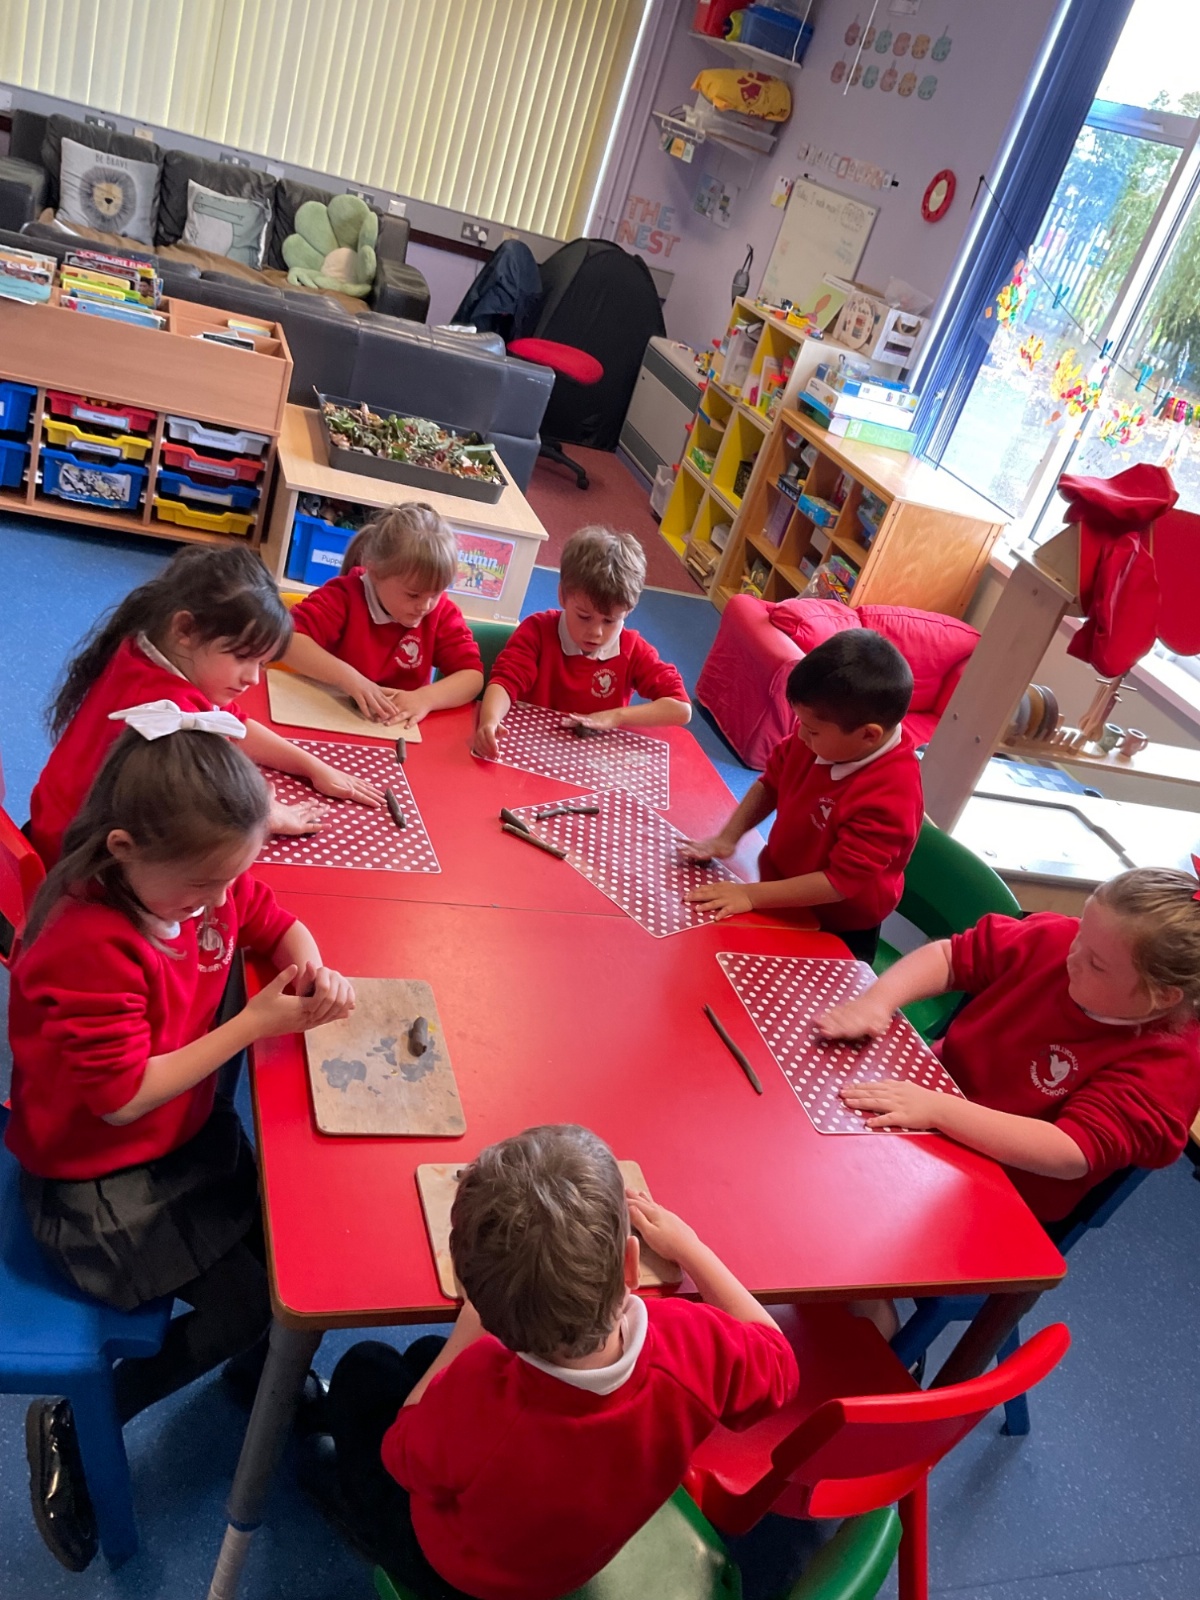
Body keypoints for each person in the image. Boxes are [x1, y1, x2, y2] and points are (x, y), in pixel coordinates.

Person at [6, 708, 355, 1572]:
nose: (220, 901)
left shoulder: (200, 878)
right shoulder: (86, 941)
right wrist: (254, 1025)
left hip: (182, 1134)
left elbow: (269, 919)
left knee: (293, 1246)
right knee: (250, 1305)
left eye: (229, 879)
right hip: (95, 1177)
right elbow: (120, 1099)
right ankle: (83, 1417)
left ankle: (258, 1371)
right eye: (203, 887)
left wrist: (312, 965)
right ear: (123, 849)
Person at [306, 1124, 798, 1600]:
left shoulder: (481, 1394)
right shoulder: (693, 1341)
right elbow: (780, 1361)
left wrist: (464, 1335)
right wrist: (690, 1247)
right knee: (420, 1355)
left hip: (468, 1574)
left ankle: (351, 1507)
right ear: (630, 1266)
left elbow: (401, 1457)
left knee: (366, 1368)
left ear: (481, 1303)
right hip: (578, 1554)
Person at [822, 866, 1200, 1224]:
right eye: (1082, 930)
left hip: (1001, 1182)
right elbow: (950, 957)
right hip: (930, 1092)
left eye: (1096, 964)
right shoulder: (1062, 940)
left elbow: (1069, 1150)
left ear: (1163, 997)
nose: (1073, 955)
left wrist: (938, 1111)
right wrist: (878, 1002)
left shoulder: (1168, 1063)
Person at [27, 545, 381, 866]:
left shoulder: (144, 649)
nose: (253, 679)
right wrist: (265, 815)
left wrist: (313, 767)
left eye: (261, 663)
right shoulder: (167, 712)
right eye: (242, 657)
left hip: (52, 828)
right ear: (185, 629)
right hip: (84, 865)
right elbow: (201, 819)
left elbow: (233, 726)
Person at [684, 631, 923, 963]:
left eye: (811, 730)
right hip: (779, 889)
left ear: (869, 735)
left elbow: (837, 883)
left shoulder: (892, 796)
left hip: (838, 924)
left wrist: (750, 895)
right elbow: (770, 784)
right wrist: (727, 838)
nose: (799, 734)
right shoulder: (821, 739)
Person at [472, 526, 690, 759]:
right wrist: (490, 721)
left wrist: (617, 716)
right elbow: (504, 682)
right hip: (531, 749)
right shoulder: (537, 632)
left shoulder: (633, 649)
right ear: (563, 596)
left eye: (609, 621)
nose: (596, 632)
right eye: (584, 617)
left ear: (628, 611)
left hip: (592, 761)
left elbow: (681, 708)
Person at [285, 505, 484, 726]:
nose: (425, 606)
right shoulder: (344, 597)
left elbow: (471, 676)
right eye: (413, 595)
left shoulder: (441, 612)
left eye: (436, 593)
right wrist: (348, 679)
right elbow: (287, 641)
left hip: (396, 727)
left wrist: (425, 699)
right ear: (375, 572)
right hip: (330, 714)